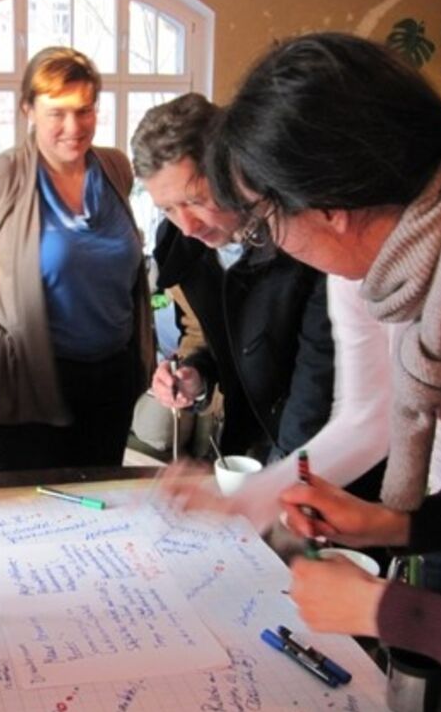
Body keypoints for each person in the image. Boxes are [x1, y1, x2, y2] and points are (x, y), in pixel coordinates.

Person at [203, 31, 441, 694]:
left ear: (329, 209)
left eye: (263, 223)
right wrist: (396, 523)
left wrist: (380, 610)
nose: (273, 244)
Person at [0, 46, 153, 471]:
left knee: (103, 495)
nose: (73, 127)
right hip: (31, 379)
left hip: (113, 376)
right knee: (33, 501)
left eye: (84, 111)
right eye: (56, 113)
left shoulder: (115, 168)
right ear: (28, 109)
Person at [130, 93, 334, 465]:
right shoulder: (180, 246)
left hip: (324, 451)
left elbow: (318, 383)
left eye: (195, 200)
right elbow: (213, 337)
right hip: (244, 445)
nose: (187, 226)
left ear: (232, 170)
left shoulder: (303, 242)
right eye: (168, 209)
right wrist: (195, 375)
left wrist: (280, 479)